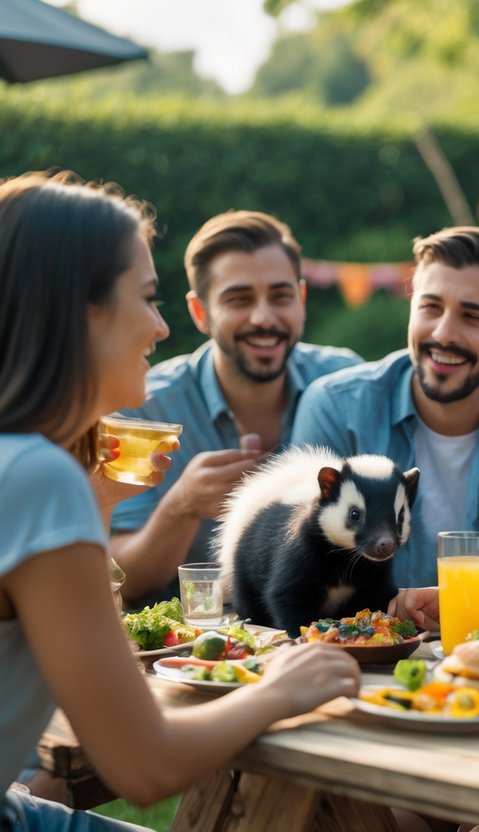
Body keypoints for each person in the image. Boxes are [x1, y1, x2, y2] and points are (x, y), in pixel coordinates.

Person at [0, 171, 362, 831]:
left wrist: (101, 506)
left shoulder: (31, 464)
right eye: (146, 297)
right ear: (82, 312)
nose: (161, 327)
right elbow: (146, 767)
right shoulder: (34, 476)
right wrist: (279, 690)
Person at [109, 210, 361, 607]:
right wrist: (181, 506)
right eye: (239, 299)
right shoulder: (144, 408)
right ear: (200, 313)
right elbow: (123, 582)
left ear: (302, 298)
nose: (263, 317)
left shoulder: (348, 385)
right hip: (196, 650)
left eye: (280, 296)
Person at [292, 226, 479, 608]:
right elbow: (304, 568)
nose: (444, 333)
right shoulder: (335, 408)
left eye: (473, 317)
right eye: (431, 307)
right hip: (367, 649)